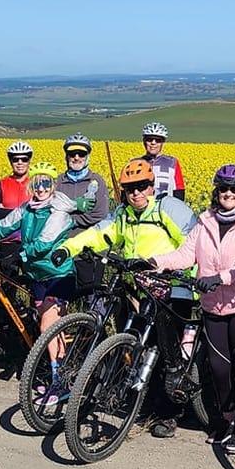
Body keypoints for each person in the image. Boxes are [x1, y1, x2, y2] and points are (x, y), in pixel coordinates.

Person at [56, 158, 199, 435]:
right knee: (136, 347)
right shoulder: (123, 214)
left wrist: (182, 272)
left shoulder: (166, 208)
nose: (136, 193)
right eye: (129, 188)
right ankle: (142, 401)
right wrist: (68, 248)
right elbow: (100, 234)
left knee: (165, 353)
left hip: (172, 288)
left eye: (141, 186)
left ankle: (170, 413)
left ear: (152, 186)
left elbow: (194, 243)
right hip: (135, 288)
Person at [149, 163, 235, 452]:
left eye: (234, 189)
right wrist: (155, 262)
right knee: (218, 368)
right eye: (223, 189)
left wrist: (219, 278)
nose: (228, 194)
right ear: (216, 192)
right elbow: (185, 254)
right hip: (215, 306)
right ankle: (228, 421)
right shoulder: (205, 221)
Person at [0, 160, 80, 344]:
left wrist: (18, 256)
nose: (41, 188)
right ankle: (46, 360)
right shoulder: (26, 208)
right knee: (46, 325)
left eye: (46, 183)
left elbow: (43, 244)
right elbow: (1, 228)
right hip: (37, 275)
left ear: (52, 185)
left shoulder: (58, 211)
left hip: (57, 274)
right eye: (37, 183)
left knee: (49, 327)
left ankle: (58, 369)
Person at [0, 141, 36, 254]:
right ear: (10, 161)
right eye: (15, 159)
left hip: (30, 242)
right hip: (7, 242)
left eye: (24, 159)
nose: (20, 163)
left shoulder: (36, 184)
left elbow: (41, 211)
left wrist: (6, 211)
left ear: (29, 161)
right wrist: (26, 213)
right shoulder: (1, 184)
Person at [55, 134, 111, 230]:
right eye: (72, 154)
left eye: (81, 154)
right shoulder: (58, 181)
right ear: (66, 156)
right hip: (60, 240)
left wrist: (70, 220)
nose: (76, 158)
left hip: (88, 240)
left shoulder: (97, 180)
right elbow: (49, 211)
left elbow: (100, 215)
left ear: (87, 157)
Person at [138, 122, 186, 203]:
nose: (153, 143)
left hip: (166, 210)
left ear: (163, 142)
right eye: (149, 139)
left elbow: (179, 191)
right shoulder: (135, 163)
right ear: (144, 141)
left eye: (158, 140)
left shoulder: (172, 163)